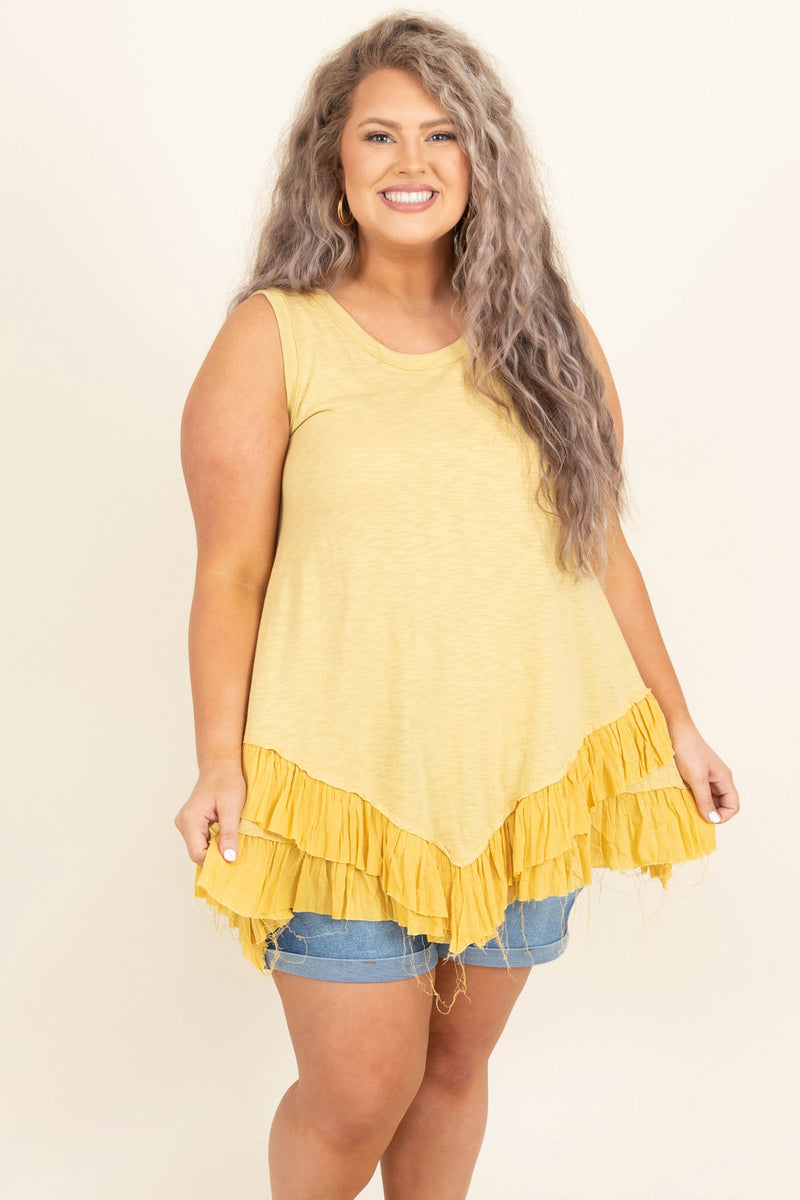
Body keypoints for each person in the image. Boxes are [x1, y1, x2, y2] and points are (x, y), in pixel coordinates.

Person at [174, 11, 740, 1198]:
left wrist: (676, 723)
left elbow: (596, 546)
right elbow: (229, 571)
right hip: (335, 781)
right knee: (354, 1095)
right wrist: (217, 760)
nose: (412, 162)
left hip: (518, 777)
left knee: (448, 1070)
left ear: (482, 159)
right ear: (332, 159)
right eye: (379, 134)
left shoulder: (546, 341)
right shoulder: (274, 337)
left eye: (441, 135)